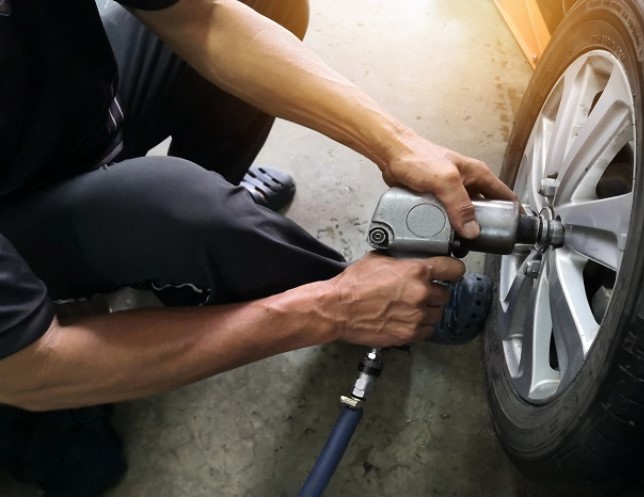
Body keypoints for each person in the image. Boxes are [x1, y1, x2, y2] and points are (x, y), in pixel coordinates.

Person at [0, 0, 515, 494]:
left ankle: (195, 251)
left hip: (63, 115)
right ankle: (347, 296)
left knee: (267, 2)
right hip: (15, 220)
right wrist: (331, 310)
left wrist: (399, 143)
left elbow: (202, 17)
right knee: (174, 206)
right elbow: (30, 367)